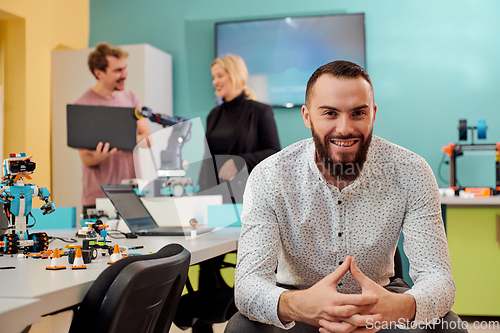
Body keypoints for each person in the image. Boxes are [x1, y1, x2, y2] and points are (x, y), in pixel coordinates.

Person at [226, 60, 467, 333]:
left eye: (357, 113)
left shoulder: (411, 172)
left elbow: (438, 279)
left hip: (381, 299)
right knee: (240, 328)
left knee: (449, 327)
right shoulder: (269, 176)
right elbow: (247, 286)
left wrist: (397, 308)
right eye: (330, 113)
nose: (344, 128)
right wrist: (299, 305)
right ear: (307, 116)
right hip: (299, 302)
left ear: (373, 114)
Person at [75, 43, 151, 215]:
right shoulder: (83, 105)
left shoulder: (131, 97)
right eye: (118, 70)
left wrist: (122, 138)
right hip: (97, 198)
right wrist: (99, 155)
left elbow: (148, 139)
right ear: (98, 73)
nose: (124, 74)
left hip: (131, 194)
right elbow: (86, 158)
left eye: (125, 68)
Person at [198, 54, 281, 203]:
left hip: (249, 196)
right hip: (218, 197)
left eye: (220, 76)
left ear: (235, 75)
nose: (215, 82)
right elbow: (207, 160)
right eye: (213, 77)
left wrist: (239, 161)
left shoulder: (260, 111)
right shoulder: (213, 115)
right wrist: (200, 195)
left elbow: (274, 152)